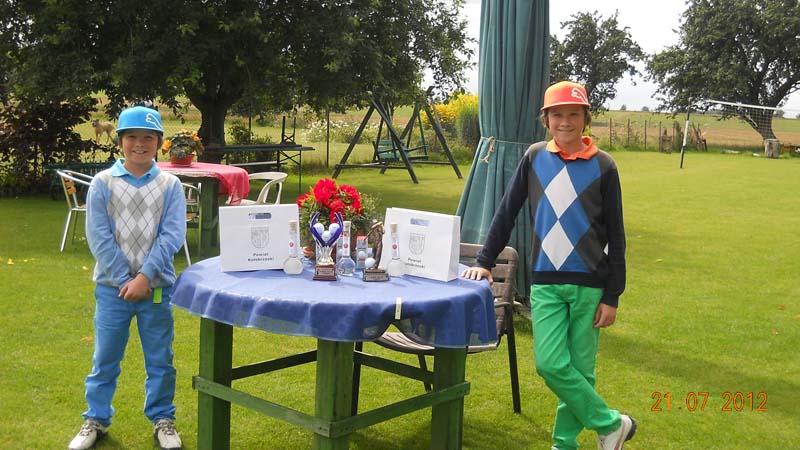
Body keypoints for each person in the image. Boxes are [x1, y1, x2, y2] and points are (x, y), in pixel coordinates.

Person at [462, 81, 637, 450]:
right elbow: (506, 212)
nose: (565, 121)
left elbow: (617, 236)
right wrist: (484, 261)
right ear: (546, 119)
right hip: (545, 283)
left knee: (582, 370)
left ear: (586, 118)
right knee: (550, 364)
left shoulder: (605, 166)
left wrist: (613, 296)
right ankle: (611, 424)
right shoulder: (534, 157)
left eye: (574, 114)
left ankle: (564, 443)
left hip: (591, 285)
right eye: (557, 114)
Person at [68, 106, 186, 450]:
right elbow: (98, 236)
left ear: (159, 142)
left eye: (148, 137)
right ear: (119, 141)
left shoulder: (170, 185)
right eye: (131, 136)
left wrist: (145, 277)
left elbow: (172, 235)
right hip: (112, 289)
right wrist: (125, 279)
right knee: (105, 358)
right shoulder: (103, 183)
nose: (139, 144)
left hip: (156, 289)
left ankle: (163, 418)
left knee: (160, 360)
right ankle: (96, 419)